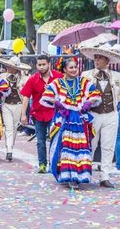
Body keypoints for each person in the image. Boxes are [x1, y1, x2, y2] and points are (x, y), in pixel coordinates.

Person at [40, 57, 101, 189]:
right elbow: (46, 96)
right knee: (65, 147)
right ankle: (67, 175)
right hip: (65, 119)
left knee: (80, 147)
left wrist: (88, 102)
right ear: (64, 69)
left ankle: (80, 176)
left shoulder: (84, 82)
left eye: (75, 67)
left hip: (79, 119)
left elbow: (95, 94)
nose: (74, 70)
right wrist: (58, 104)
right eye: (71, 67)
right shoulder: (58, 83)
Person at [81, 45, 120, 188]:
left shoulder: (117, 76)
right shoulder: (86, 75)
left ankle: (105, 176)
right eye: (95, 58)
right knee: (90, 145)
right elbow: (81, 94)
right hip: (93, 115)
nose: (96, 60)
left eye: (100, 58)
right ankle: (85, 173)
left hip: (111, 114)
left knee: (108, 146)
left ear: (107, 60)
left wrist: (112, 103)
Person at [20, 55, 63, 173]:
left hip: (54, 114)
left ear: (49, 64)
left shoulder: (59, 77)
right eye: (39, 65)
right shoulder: (33, 79)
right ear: (36, 65)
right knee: (40, 141)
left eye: (44, 64)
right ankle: (42, 164)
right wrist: (23, 114)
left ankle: (53, 164)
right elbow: (26, 96)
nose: (42, 67)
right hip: (38, 114)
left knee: (54, 140)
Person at [0, 56, 31, 161]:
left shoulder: (25, 78)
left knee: (15, 127)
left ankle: (10, 146)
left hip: (18, 104)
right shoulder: (2, 77)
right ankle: (9, 150)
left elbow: (27, 93)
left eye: (11, 66)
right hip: (6, 104)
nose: (8, 67)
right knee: (8, 127)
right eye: (8, 65)